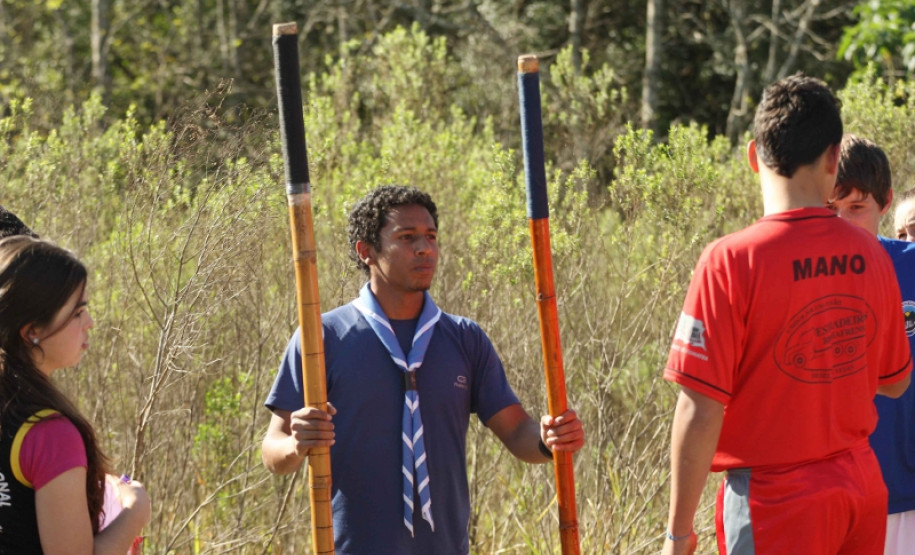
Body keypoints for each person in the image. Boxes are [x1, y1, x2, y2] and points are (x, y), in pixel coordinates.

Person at [662, 75, 912, 555]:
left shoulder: (729, 261)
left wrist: (678, 534)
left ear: (753, 156)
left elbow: (699, 407)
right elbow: (896, 380)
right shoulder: (871, 253)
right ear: (834, 158)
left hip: (773, 501)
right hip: (860, 486)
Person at [261, 185, 585, 554]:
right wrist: (297, 444)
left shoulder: (464, 339)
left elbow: (516, 432)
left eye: (431, 236)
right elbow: (273, 451)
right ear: (366, 251)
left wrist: (549, 439)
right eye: (407, 237)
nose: (424, 248)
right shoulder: (323, 339)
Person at [0, 236, 150, 554]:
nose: (90, 324)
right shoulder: (50, 436)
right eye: (78, 312)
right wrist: (134, 511)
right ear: (32, 331)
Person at [828, 134, 915, 555]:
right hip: (829, 496)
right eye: (831, 208)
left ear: (885, 202)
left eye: (856, 207)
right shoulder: (799, 277)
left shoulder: (910, 266)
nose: (842, 222)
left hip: (907, 497)